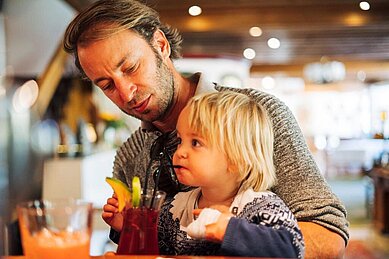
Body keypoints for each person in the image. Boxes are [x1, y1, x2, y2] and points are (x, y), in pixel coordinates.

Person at [63, 0, 349, 257]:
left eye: (130, 67)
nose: (125, 93)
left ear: (161, 46)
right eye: (107, 85)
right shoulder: (131, 156)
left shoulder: (259, 115)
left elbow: (329, 233)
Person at [157, 91, 305, 257]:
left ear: (237, 159)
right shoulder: (176, 209)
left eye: (195, 143)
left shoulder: (262, 206)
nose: (180, 152)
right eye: (179, 140)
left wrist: (231, 230)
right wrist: (122, 224)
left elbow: (292, 249)